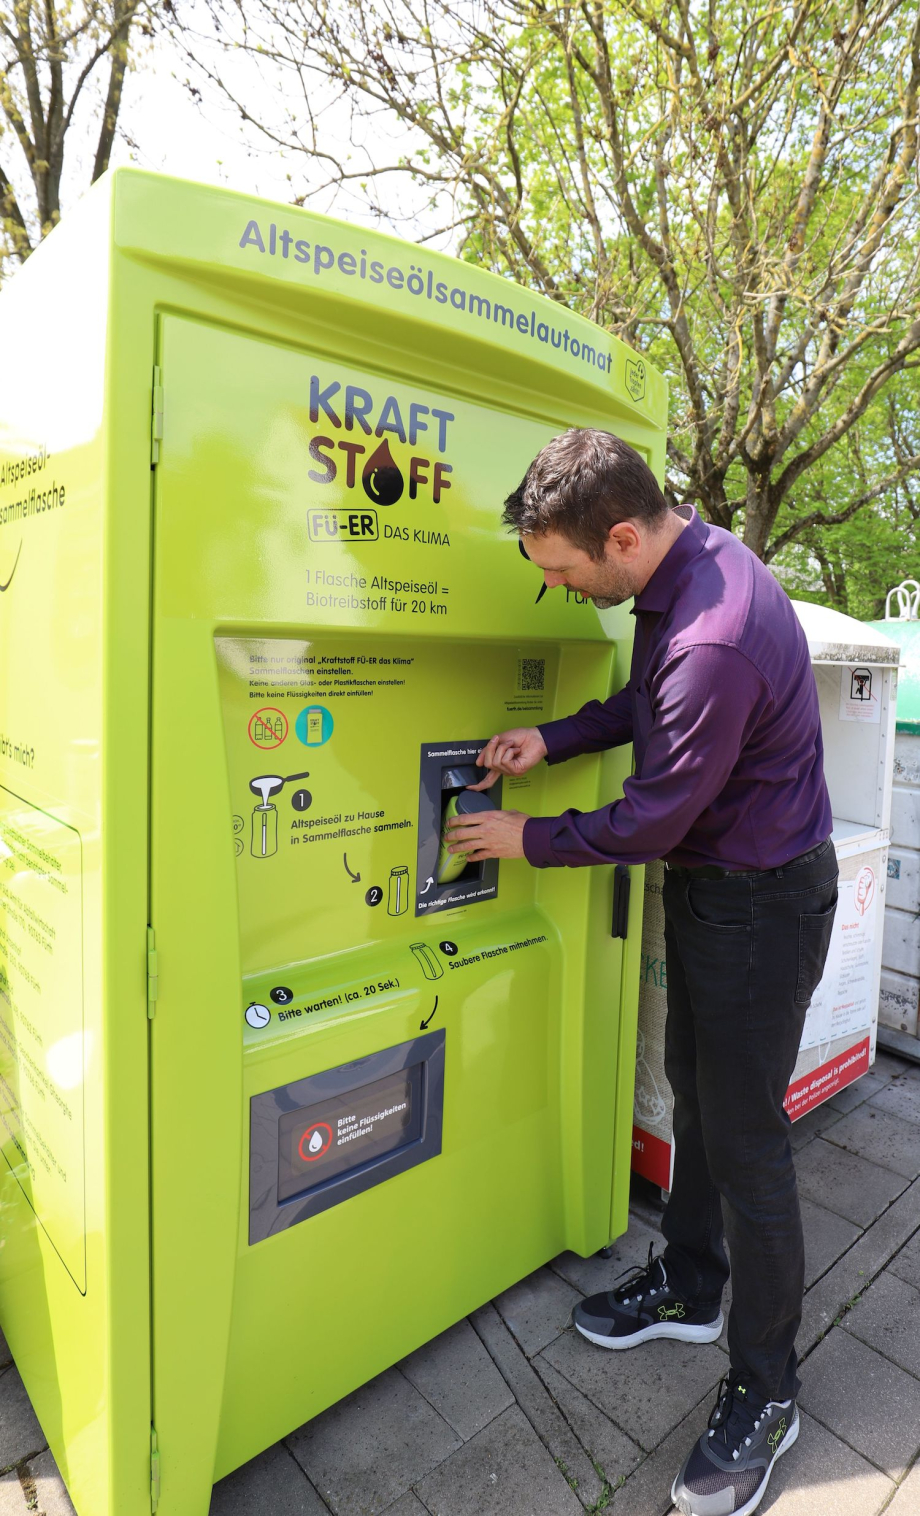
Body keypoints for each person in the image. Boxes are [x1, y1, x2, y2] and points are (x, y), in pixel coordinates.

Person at [446, 428, 838, 1516]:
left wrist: (527, 839)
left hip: (758, 906)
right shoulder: (680, 564)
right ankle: (692, 1283)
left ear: (618, 535)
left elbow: (653, 813)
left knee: (748, 1143)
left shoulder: (711, 631)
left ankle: (766, 1388)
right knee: (697, 1102)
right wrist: (551, 735)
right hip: (725, 893)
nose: (560, 591)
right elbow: (641, 709)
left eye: (563, 572)